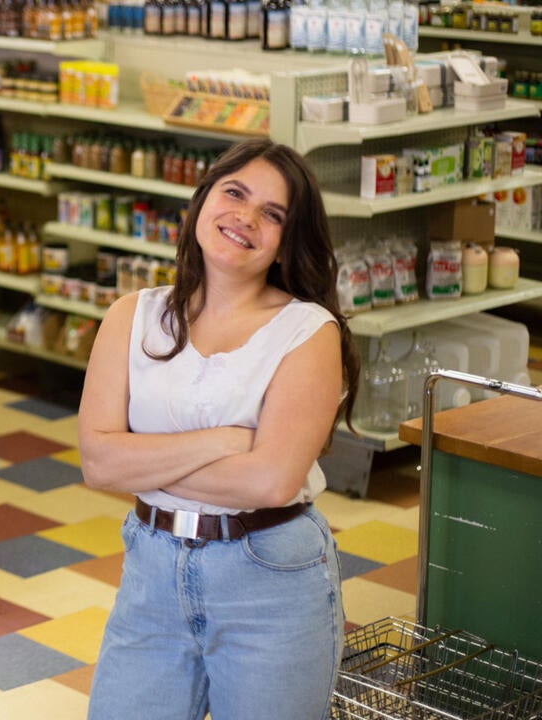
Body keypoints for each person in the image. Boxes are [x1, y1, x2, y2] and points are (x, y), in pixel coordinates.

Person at [79, 138, 360, 720]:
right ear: (202, 199)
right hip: (151, 570)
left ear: (288, 241)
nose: (246, 218)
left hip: (270, 577)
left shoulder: (308, 331)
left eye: (273, 214)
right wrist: (224, 441)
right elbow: (97, 464)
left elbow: (271, 482)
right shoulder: (132, 317)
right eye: (234, 193)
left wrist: (144, 457)